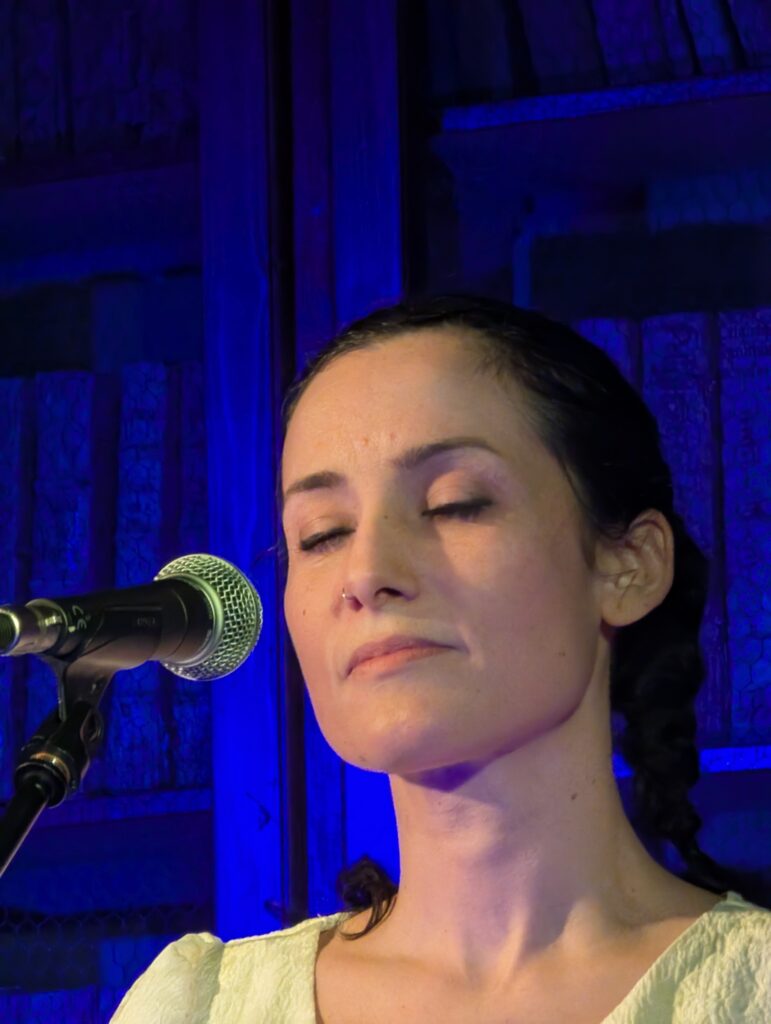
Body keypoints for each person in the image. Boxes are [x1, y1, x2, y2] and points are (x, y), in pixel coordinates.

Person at [112, 296, 770, 1023]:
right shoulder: (202, 1007)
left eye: (453, 503)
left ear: (628, 565)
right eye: (323, 534)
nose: (367, 572)